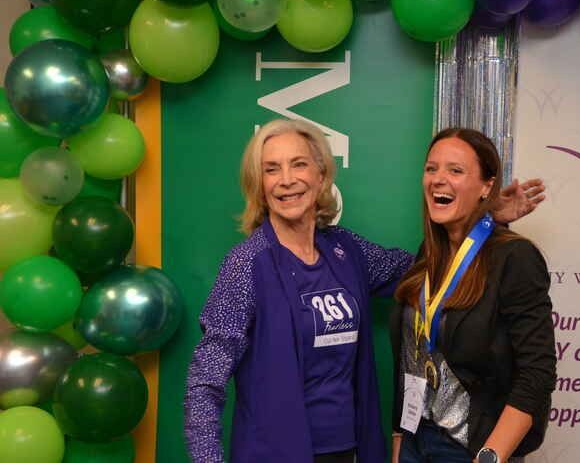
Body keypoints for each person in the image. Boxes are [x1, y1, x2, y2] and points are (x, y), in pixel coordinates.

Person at [183, 119, 545, 463]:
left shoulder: (344, 250)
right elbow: (205, 380)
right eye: (271, 170)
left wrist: (483, 218)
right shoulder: (246, 264)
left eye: (299, 164)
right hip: (275, 452)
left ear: (321, 175)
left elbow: (431, 272)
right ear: (258, 184)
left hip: (351, 450)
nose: (287, 180)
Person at [390, 128, 557, 463]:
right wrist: (400, 443)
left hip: (470, 449)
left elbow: (537, 372)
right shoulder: (430, 253)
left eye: (455, 170)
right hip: (415, 440)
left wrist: (490, 455)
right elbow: (413, 355)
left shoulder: (515, 258)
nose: (438, 179)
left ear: (486, 187)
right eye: (431, 168)